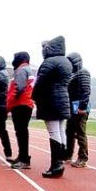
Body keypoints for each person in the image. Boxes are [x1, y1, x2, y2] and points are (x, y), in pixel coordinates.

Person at [31, 36, 73, 178]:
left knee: (54, 132)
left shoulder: (49, 62)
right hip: (63, 99)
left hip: (50, 100)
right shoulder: (66, 62)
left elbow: (40, 82)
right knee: (60, 131)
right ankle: (59, 162)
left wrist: (34, 96)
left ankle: (56, 165)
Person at [6, 51, 35, 169]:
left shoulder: (21, 70)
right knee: (21, 132)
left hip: (21, 105)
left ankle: (24, 159)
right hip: (26, 103)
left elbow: (18, 88)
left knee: (21, 132)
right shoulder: (27, 69)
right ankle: (22, 156)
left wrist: (9, 106)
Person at [65, 52, 91, 168]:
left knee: (80, 132)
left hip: (80, 106)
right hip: (72, 106)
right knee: (69, 131)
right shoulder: (72, 73)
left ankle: (83, 157)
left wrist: (83, 107)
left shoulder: (83, 72)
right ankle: (68, 155)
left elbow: (86, 91)